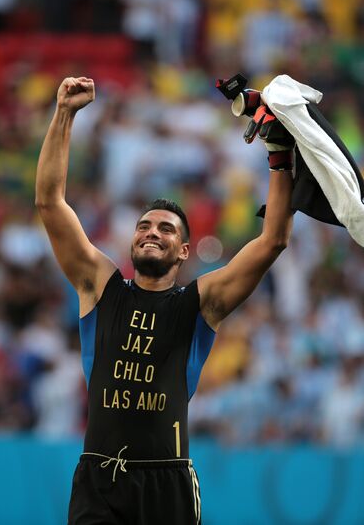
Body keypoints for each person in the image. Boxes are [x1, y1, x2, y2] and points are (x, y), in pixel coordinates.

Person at [35, 77, 294, 525]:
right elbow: (49, 202)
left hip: (167, 483)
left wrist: (278, 156)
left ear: (183, 251)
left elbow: (272, 240)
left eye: (166, 229)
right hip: (98, 481)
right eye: (144, 226)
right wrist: (64, 113)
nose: (152, 232)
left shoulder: (200, 303)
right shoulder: (99, 287)